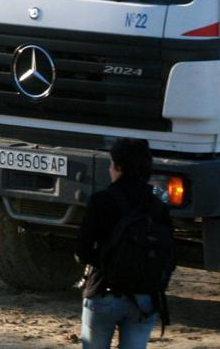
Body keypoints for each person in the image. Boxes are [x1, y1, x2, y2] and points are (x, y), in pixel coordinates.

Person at [75, 138, 174, 349]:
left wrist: (105, 263)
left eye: (111, 164)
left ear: (118, 167)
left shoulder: (101, 200)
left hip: (104, 291)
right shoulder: (158, 206)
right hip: (145, 299)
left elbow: (82, 251)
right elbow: (170, 255)